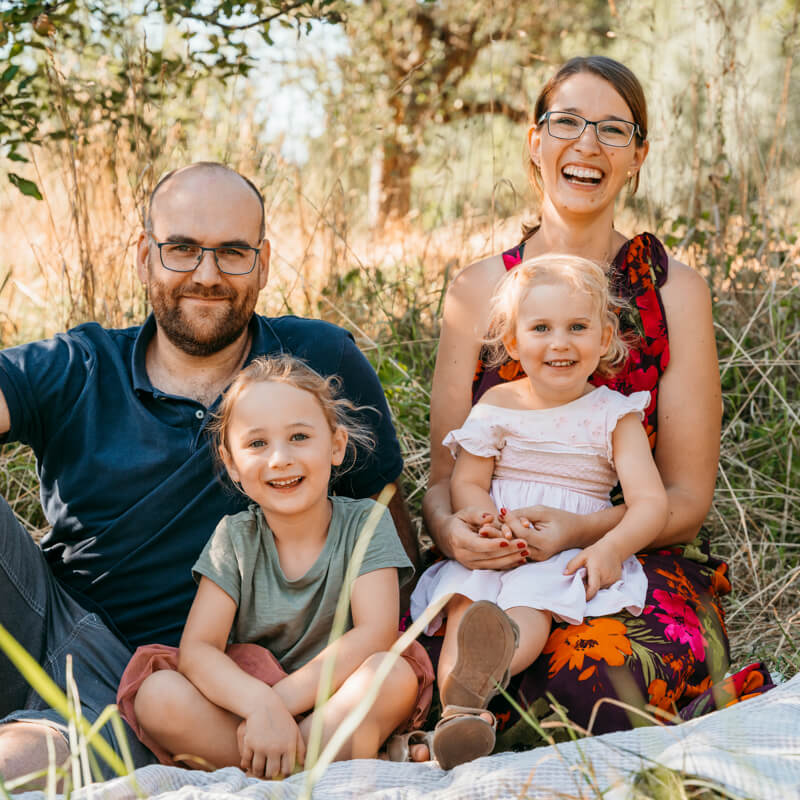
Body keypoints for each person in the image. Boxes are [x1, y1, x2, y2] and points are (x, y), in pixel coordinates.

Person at [0, 162, 418, 784]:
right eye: (182, 249)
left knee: (19, 770)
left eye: (232, 253)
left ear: (264, 263)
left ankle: (290, 754)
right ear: (145, 256)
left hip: (176, 694)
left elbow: (385, 526)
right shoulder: (81, 365)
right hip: (48, 619)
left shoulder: (319, 361)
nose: (207, 273)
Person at [420, 55, 774, 750]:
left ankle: (475, 726)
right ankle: (447, 722)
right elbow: (443, 480)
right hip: (493, 557)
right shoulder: (476, 291)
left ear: (639, 155)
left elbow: (683, 498)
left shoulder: (675, 292)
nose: (587, 145)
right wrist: (454, 533)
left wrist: (581, 534)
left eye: (613, 130)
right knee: (418, 660)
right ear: (534, 141)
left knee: (595, 687)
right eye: (567, 123)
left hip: (628, 555)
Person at [115, 355, 433, 777]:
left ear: (336, 446)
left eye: (299, 436)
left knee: (389, 675)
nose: (280, 458)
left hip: (336, 693)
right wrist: (259, 704)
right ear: (232, 463)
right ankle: (323, 760)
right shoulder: (235, 539)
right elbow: (199, 649)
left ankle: (276, 761)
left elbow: (374, 633)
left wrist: (277, 706)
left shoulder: (365, 525)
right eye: (257, 444)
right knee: (156, 694)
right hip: (250, 700)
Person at [409, 255, 667, 765]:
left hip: (562, 550)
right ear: (513, 343)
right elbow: (468, 480)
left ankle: (485, 675)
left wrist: (611, 547)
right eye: (541, 328)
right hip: (499, 542)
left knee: (530, 605)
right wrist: (483, 521)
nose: (560, 343)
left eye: (577, 327)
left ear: (604, 337)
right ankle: (457, 714)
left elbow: (650, 502)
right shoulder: (497, 404)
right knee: (465, 597)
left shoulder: (615, 415)